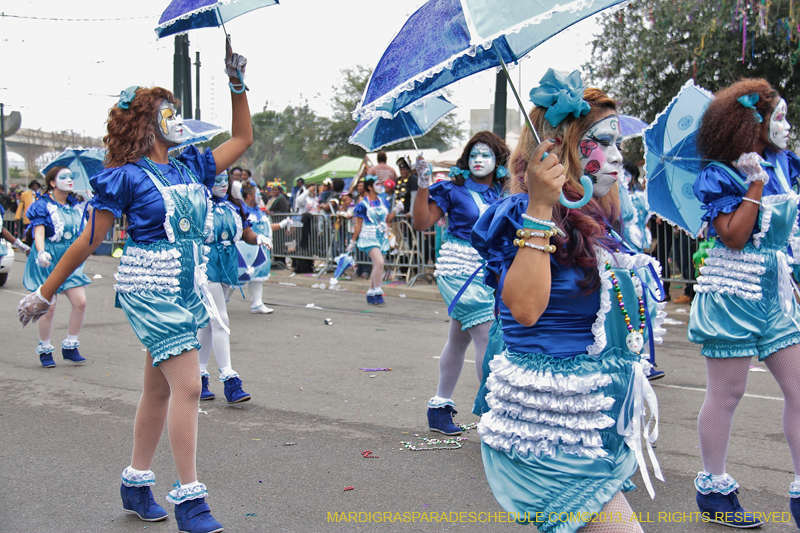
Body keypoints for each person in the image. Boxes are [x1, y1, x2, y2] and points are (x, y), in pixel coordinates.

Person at [18, 40, 253, 533]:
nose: (177, 118)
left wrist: (236, 83)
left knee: (158, 389)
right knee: (189, 385)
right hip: (150, 289)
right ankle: (190, 500)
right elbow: (88, 239)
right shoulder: (122, 177)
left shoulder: (191, 166)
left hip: (187, 288)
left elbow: (242, 138)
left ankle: (136, 480)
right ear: (148, 124)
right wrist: (44, 293)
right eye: (169, 111)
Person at [471, 70, 665, 532]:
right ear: (560, 147)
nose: (618, 156)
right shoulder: (523, 213)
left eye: (618, 143)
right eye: (603, 142)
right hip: (548, 428)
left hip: (590, 420)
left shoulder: (594, 215)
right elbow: (522, 309)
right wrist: (540, 206)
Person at [687, 78, 800, 529]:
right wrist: (754, 183)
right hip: (732, 294)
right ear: (750, 123)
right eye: (779, 117)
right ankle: (714, 487)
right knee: (727, 393)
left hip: (775, 293)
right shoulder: (720, 173)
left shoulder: (787, 163)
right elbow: (732, 236)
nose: (787, 126)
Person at [413, 131, 509, 435]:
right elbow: (421, 223)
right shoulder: (452, 190)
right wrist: (423, 185)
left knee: (458, 340)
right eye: (474, 154)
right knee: (486, 337)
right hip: (459, 271)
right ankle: (495, 413)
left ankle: (439, 408)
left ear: (498, 161)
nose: (479, 160)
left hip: (489, 271)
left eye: (486, 155)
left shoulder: (502, 193)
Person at [22, 167, 91, 368]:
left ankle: (70, 345)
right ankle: (45, 348)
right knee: (48, 307)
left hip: (70, 258)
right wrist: (41, 251)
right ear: (52, 182)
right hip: (49, 258)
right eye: (64, 177)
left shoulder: (77, 205)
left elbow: (94, 225)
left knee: (80, 302)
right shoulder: (42, 205)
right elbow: (39, 232)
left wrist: (92, 201)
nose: (70, 180)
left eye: (72, 177)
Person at [236, 182, 290, 314]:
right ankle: (220, 303)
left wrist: (282, 225)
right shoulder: (241, 211)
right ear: (249, 196)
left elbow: (265, 228)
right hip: (246, 249)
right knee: (235, 277)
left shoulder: (259, 212)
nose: (261, 197)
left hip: (261, 249)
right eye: (257, 194)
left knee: (258, 276)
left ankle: (257, 303)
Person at [348, 176, 398, 304]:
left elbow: (387, 220)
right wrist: (352, 241)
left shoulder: (383, 202)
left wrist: (397, 210)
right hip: (369, 236)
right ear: (370, 187)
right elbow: (358, 224)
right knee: (380, 263)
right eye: (377, 184)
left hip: (381, 236)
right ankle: (378, 291)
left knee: (377, 265)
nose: (380, 187)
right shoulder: (362, 204)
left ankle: (370, 293)